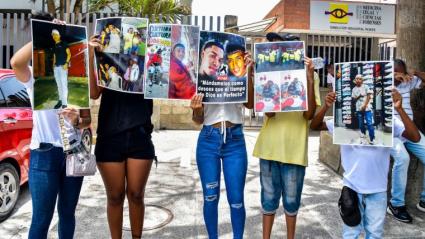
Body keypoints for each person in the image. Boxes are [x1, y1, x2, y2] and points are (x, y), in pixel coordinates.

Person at [10, 16, 92, 239]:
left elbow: (87, 122)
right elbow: (15, 63)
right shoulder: (35, 78)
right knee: (41, 219)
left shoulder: (78, 78)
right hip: (44, 153)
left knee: (67, 214)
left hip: (73, 152)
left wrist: (77, 120)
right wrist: (43, 32)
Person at [310, 90, 421, 238]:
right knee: (351, 233)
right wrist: (326, 106)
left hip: (378, 189)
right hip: (352, 187)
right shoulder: (344, 120)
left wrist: (399, 109)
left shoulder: (387, 119)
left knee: (374, 234)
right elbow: (315, 126)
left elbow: (415, 136)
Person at [253, 32, 320, 239]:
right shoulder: (267, 73)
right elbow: (270, 113)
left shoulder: (312, 75)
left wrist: (308, 79)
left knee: (292, 201)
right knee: (268, 199)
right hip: (269, 147)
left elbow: (309, 115)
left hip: (294, 150)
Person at [89, 35, 155, 239]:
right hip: (109, 136)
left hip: (140, 134)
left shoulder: (150, 60)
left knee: (136, 195)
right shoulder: (106, 58)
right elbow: (93, 93)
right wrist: (93, 55)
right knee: (115, 197)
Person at [190, 50, 254, 239]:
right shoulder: (202, 77)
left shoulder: (238, 71)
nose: (217, 60)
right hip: (208, 140)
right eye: (213, 56)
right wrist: (196, 109)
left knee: (236, 200)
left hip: (235, 142)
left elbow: (250, 105)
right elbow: (197, 120)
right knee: (210, 198)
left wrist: (248, 72)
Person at [387, 59, 425, 223]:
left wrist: (413, 74)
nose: (397, 76)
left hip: (409, 131)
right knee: (403, 158)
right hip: (390, 132)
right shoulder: (381, 83)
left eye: (400, 72)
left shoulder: (407, 83)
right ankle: (396, 205)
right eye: (394, 72)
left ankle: (423, 200)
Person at [351, 74, 375, 145]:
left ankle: (372, 138)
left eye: (360, 79)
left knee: (369, 124)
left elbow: (369, 96)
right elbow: (353, 99)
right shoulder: (354, 89)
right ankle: (363, 134)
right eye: (357, 79)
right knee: (361, 124)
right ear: (355, 80)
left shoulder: (366, 86)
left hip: (367, 108)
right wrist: (359, 96)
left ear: (362, 80)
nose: (358, 80)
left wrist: (364, 105)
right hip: (359, 109)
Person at [51, 29, 71, 109]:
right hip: (56, 68)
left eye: (56, 34)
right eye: (53, 35)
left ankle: (64, 103)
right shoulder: (54, 45)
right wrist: (53, 66)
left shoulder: (64, 43)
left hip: (63, 67)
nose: (55, 36)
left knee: (64, 85)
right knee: (59, 85)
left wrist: (66, 63)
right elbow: (55, 57)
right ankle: (60, 100)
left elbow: (69, 54)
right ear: (52, 37)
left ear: (59, 36)